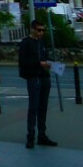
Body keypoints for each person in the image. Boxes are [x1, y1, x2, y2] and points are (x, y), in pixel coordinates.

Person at [18, 19, 57, 148]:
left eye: (43, 30)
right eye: (39, 30)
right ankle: (30, 136)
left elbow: (45, 56)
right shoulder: (26, 43)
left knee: (43, 107)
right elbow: (23, 62)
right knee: (33, 107)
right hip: (33, 77)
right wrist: (39, 63)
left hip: (44, 76)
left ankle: (42, 135)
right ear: (32, 29)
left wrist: (50, 64)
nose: (41, 33)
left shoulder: (42, 42)